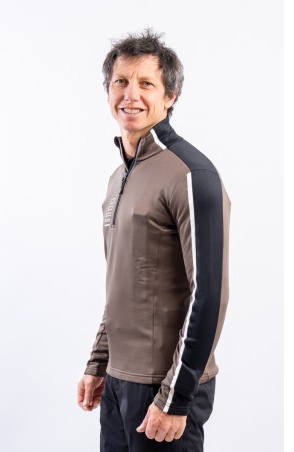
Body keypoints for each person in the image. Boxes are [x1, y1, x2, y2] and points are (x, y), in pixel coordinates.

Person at [77, 28, 231, 452]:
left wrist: (175, 397)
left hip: (165, 387)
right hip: (118, 383)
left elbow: (209, 294)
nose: (131, 94)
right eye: (121, 81)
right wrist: (100, 361)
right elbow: (122, 283)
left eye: (146, 83)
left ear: (171, 95)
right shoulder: (118, 177)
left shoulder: (191, 174)